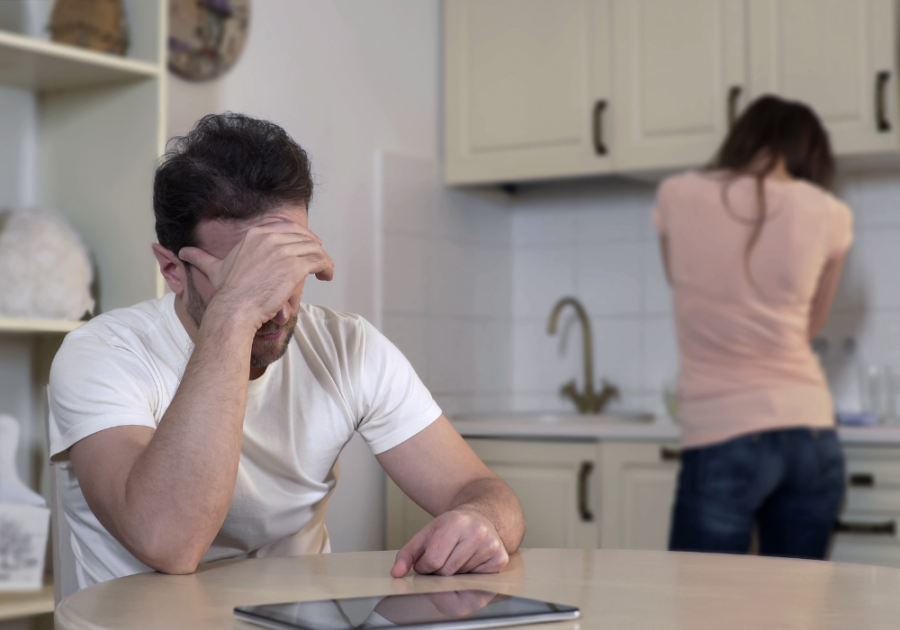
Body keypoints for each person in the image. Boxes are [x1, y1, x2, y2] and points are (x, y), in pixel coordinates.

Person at [48, 113, 525, 591]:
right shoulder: (102, 353)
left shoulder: (347, 347)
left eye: (288, 264)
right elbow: (168, 542)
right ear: (173, 269)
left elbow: (486, 494)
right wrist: (234, 314)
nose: (277, 308)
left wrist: (480, 521)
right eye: (247, 272)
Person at [654, 96, 852, 559]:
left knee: (704, 611)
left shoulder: (677, 196)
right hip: (811, 432)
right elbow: (809, 324)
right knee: (797, 615)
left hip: (722, 433)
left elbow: (684, 290)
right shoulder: (830, 213)